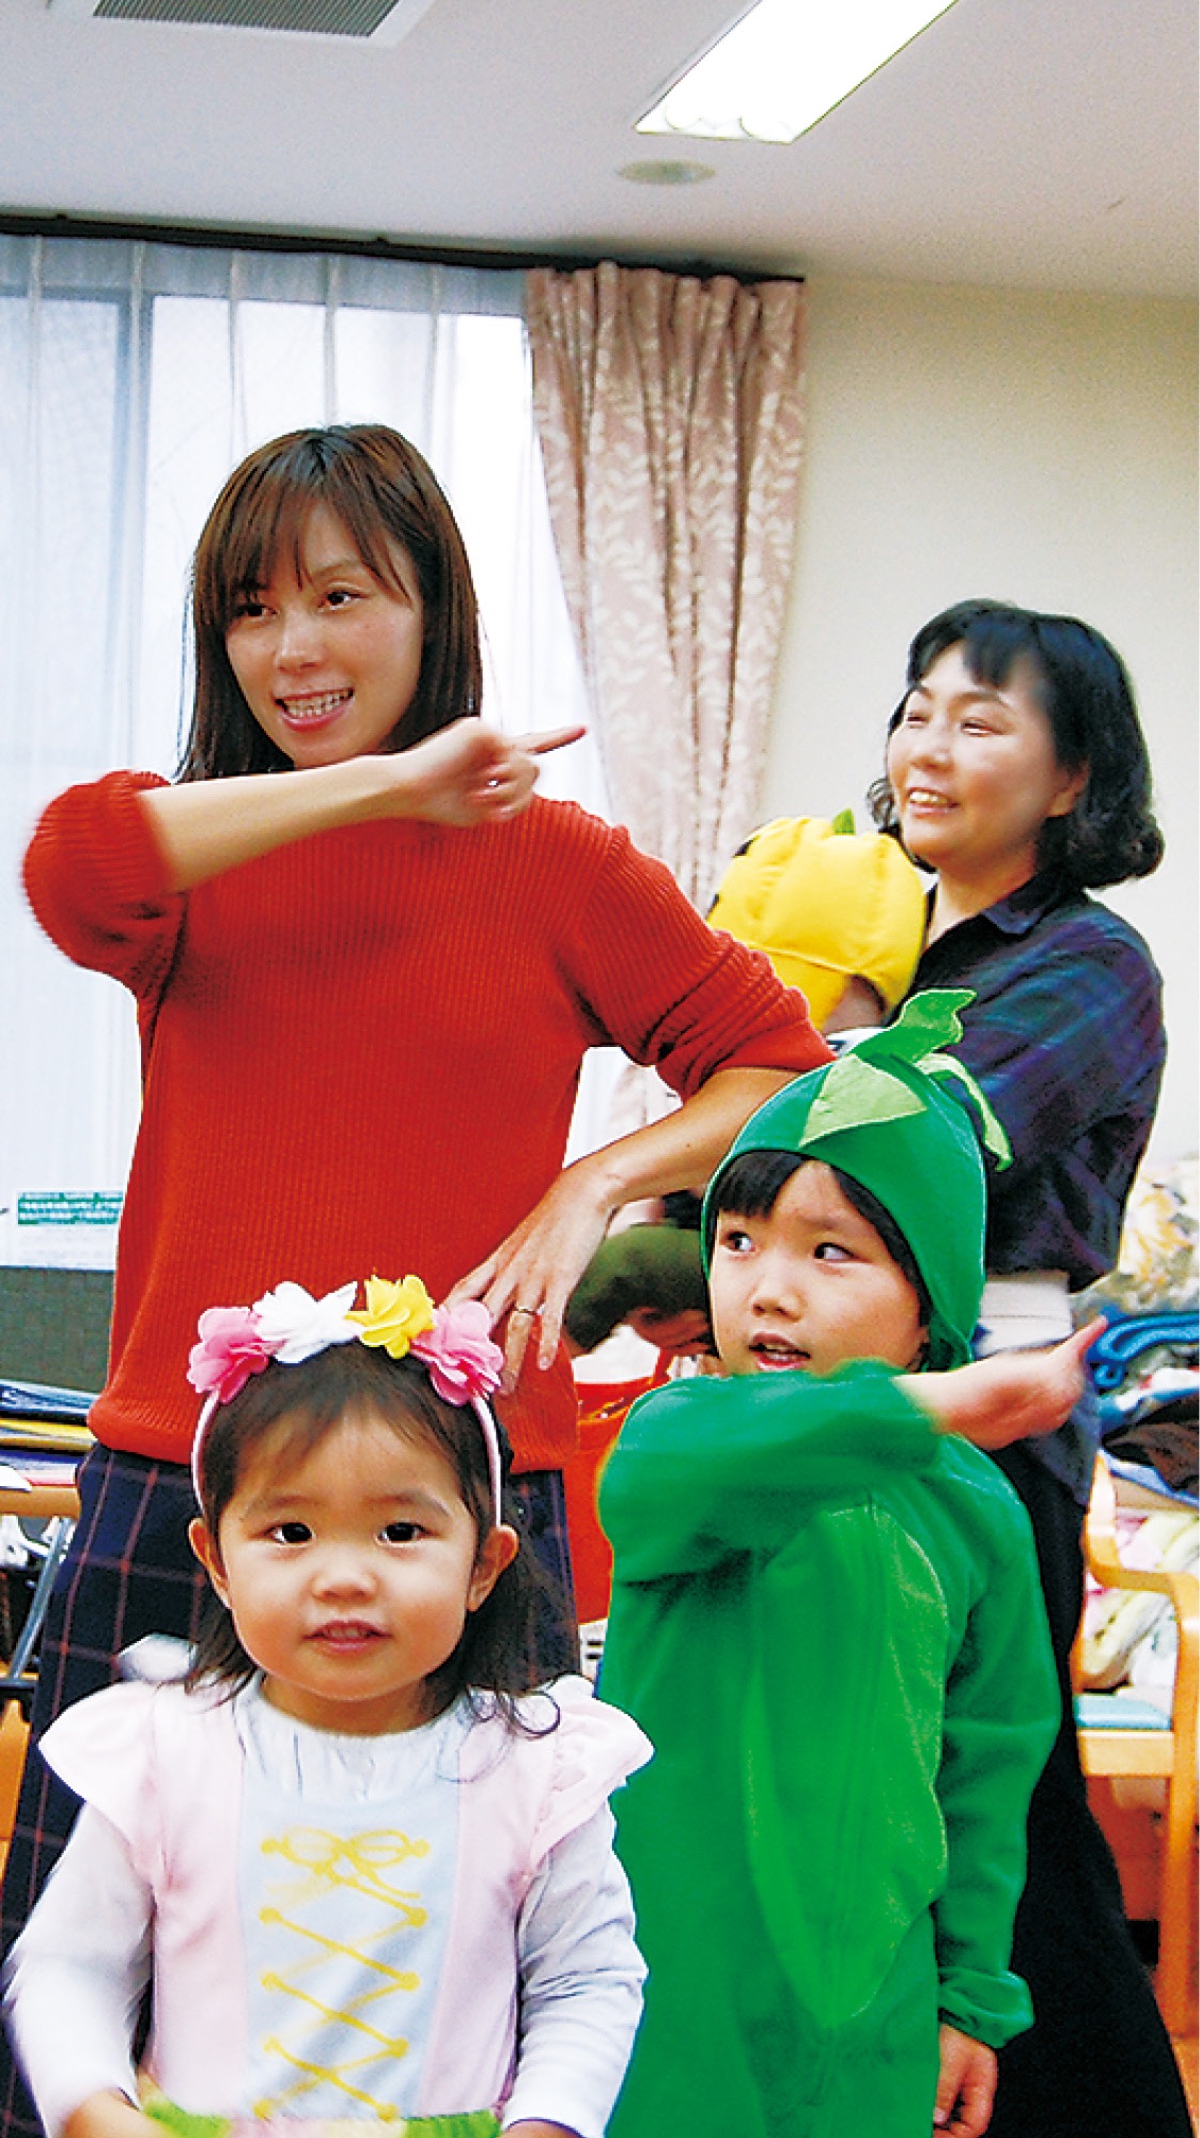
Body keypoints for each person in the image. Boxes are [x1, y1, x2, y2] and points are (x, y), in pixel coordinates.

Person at [5, 425, 828, 2138]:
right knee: (88, 1992)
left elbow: (781, 1065)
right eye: (250, 611)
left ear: (432, 605)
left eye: (339, 596)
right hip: (185, 1492)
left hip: (461, 1499)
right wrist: (393, 785)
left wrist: (595, 1182)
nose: (292, 647)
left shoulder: (562, 863)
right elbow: (72, 864)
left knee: (464, 1990)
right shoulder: (189, 858)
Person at [597, 996, 1093, 2138]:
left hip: (876, 2011)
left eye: (832, 1252)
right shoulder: (682, 1440)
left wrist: (969, 1996)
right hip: (670, 2005)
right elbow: (711, 1464)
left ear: (930, 1306)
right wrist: (941, 1405)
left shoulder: (977, 1512)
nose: (768, 1288)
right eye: (738, 1241)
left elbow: (991, 1765)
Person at [4, 1274, 651, 2137]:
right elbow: (69, 1962)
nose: (344, 1577)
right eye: (292, 1532)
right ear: (217, 1561)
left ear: (484, 1565)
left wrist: (549, 2120)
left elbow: (585, 1979)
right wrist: (93, 2105)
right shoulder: (165, 1751)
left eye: (401, 1532)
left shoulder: (538, 1771)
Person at [871, 599, 1189, 2138]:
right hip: (864, 1414)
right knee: (894, 1810)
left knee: (1006, 1826)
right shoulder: (887, 946)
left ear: (1073, 779)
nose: (928, 746)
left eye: (980, 719)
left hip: (990, 1436)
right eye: (916, 710)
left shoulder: (1090, 963)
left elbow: (908, 1143)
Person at [562, 810, 927, 1361]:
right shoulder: (723, 1046)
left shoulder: (864, 1067)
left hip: (795, 1263)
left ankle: (528, 1364)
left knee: (632, 1261)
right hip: (724, 1246)